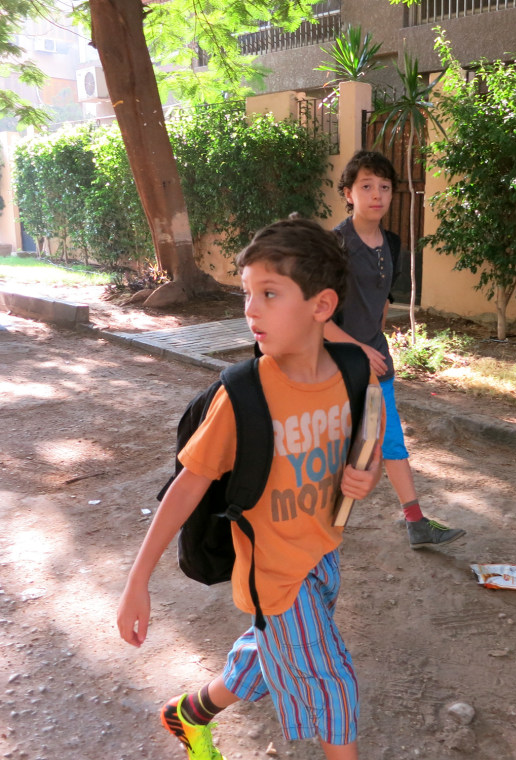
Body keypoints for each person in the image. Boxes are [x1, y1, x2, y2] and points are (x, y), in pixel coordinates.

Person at [117, 217, 383, 760]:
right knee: (333, 683)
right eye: (246, 294)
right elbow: (187, 486)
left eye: (269, 293)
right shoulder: (242, 395)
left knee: (272, 652)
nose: (251, 310)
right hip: (273, 574)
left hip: (322, 555)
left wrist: (367, 474)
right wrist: (137, 578)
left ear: (321, 305)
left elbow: (364, 445)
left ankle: (188, 713)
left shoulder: (353, 372)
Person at [325, 150, 466, 550]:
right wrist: (357, 348)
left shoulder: (392, 242)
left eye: (384, 187)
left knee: (388, 441)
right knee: (332, 446)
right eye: (366, 186)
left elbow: (383, 302)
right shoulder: (335, 244)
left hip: (375, 361)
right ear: (349, 193)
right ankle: (318, 525)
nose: (377, 195)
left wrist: (375, 342)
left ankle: (416, 522)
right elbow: (318, 317)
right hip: (335, 364)